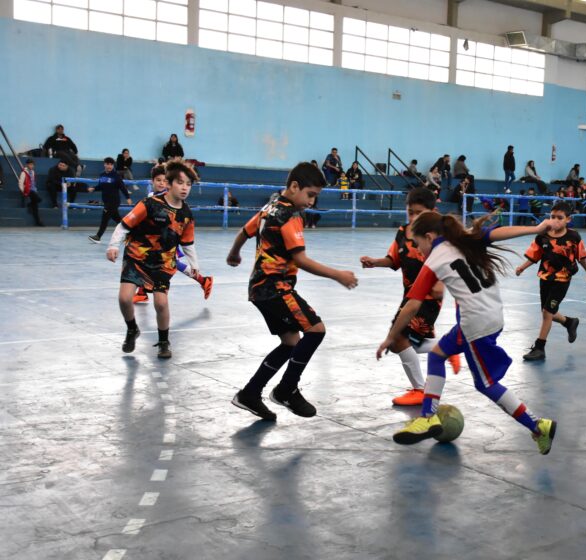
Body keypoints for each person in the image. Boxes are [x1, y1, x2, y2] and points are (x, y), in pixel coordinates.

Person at [376, 213, 557, 455]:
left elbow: (411, 305)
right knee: (437, 355)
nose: (418, 250)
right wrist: (536, 229)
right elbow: (499, 231)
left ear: (429, 237)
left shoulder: (435, 259)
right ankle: (429, 415)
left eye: (418, 244)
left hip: (476, 325)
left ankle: (537, 426)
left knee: (486, 384)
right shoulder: (465, 239)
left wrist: (391, 336)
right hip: (493, 314)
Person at [228, 162, 358, 422]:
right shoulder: (290, 215)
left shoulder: (270, 207)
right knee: (316, 330)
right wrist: (338, 275)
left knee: (290, 343)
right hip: (275, 287)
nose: (311, 202)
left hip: (259, 287)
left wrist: (234, 253)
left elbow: (245, 231)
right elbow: (301, 260)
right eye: (310, 195)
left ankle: (250, 394)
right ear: (295, 186)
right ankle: (287, 390)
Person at [360, 188, 460, 406]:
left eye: (419, 213)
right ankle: (446, 348)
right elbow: (394, 259)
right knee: (402, 345)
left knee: (399, 339)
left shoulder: (438, 239)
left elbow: (444, 270)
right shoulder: (402, 231)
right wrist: (375, 262)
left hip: (427, 301)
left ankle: (419, 390)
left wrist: (439, 283)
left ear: (433, 212)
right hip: (408, 297)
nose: (413, 218)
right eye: (410, 212)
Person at [105, 160, 201, 360]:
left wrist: (195, 265)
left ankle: (164, 342)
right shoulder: (149, 204)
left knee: (160, 303)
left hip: (163, 262)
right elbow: (124, 225)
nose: (185, 188)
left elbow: (188, 242)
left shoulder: (186, 214)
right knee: (124, 298)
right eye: (180, 183)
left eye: (188, 184)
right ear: (169, 183)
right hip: (136, 256)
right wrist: (113, 245)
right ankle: (132, 329)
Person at [515, 202, 586, 361]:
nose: (555, 220)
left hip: (562, 279)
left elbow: (581, 256)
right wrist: (522, 267)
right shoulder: (542, 236)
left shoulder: (573, 237)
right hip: (545, 277)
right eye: (552, 217)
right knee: (546, 311)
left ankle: (540, 347)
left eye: (560, 218)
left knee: (547, 312)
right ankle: (569, 322)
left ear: (568, 219)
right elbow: (534, 255)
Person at [133, 164, 213, 304]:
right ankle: (142, 291)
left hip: (168, 240)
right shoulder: (151, 198)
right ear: (152, 181)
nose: (162, 183)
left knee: (167, 263)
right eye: (158, 180)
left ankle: (203, 280)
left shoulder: (173, 200)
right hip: (154, 241)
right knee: (149, 260)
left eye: (164, 181)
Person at [87, 157, 132, 243]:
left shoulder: (116, 175)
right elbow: (101, 186)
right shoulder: (102, 175)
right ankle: (130, 232)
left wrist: (128, 198)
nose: (109, 166)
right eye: (107, 164)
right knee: (118, 219)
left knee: (105, 218)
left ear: (113, 165)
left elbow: (122, 187)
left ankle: (98, 236)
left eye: (111, 164)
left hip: (114, 201)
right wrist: (94, 188)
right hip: (106, 201)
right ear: (104, 164)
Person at [18, 159, 44, 227]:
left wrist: (35, 189)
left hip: (33, 190)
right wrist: (23, 191)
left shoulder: (33, 172)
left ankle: (38, 221)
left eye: (32, 165)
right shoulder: (24, 173)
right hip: (27, 190)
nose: (31, 166)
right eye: (30, 164)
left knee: (35, 207)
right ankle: (30, 204)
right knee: (39, 199)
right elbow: (20, 183)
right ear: (27, 165)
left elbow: (33, 182)